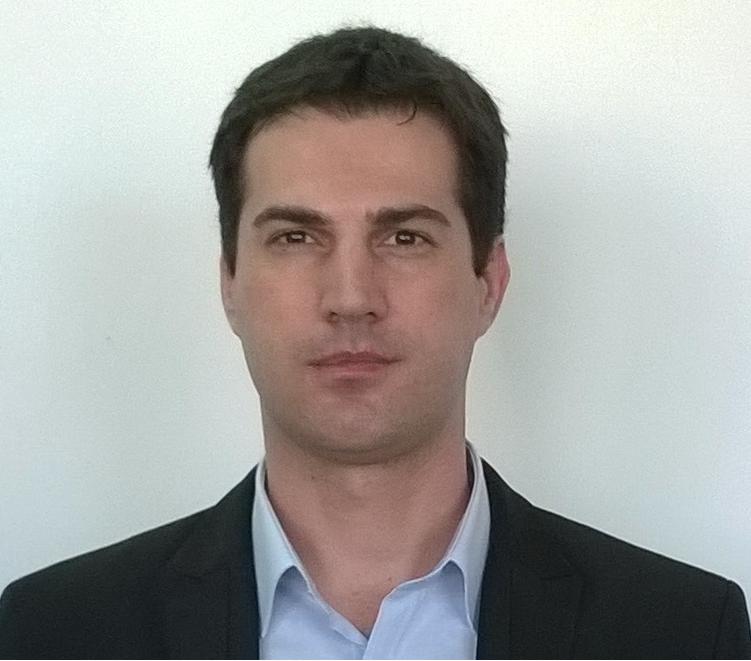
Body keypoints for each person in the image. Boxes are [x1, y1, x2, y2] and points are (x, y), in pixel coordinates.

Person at [1, 25, 749, 660]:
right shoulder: (49, 632)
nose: (351, 296)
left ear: (488, 282)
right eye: (296, 237)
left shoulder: (685, 633)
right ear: (230, 282)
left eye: (404, 236)